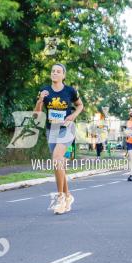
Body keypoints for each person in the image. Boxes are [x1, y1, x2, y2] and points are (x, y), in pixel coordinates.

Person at [34, 63, 83, 214]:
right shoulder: (44, 91)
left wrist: (73, 115)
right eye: (53, 71)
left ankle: (60, 198)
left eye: (58, 71)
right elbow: (36, 115)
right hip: (52, 130)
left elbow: (80, 105)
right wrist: (40, 100)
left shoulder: (70, 91)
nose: (55, 73)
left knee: (56, 158)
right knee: (58, 165)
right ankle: (68, 196)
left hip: (67, 129)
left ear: (63, 75)